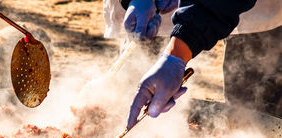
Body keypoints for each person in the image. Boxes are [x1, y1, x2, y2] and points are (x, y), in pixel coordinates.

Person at [103, 0, 282, 129]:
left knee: (257, 122)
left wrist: (177, 53)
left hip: (251, 12)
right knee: (128, 108)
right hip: (154, 13)